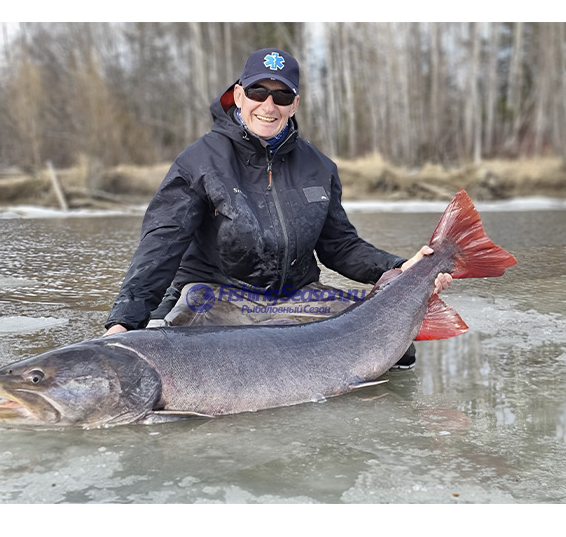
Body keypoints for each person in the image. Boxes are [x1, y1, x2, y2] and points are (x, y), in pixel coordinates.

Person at [104, 48, 452, 369]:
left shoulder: (319, 167)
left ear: (294, 104)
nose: (269, 106)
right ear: (239, 95)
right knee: (178, 361)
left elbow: (340, 246)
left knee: (397, 350)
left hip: (296, 296)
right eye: (258, 92)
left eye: (281, 96)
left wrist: (399, 267)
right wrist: (124, 321)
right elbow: (160, 246)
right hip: (217, 296)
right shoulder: (199, 161)